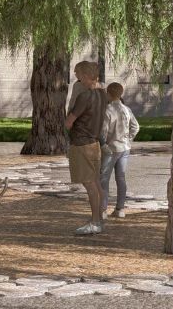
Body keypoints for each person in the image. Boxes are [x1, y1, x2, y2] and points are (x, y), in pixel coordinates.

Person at [64, 60, 107, 235]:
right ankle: (99, 219)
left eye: (78, 74)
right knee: (96, 183)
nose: (77, 78)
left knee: (90, 185)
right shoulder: (102, 94)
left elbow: (69, 122)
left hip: (82, 143)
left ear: (86, 75)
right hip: (94, 143)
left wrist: (68, 122)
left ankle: (95, 222)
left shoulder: (84, 96)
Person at [100, 82, 140, 220]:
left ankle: (102, 210)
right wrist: (129, 139)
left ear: (108, 94)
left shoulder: (107, 110)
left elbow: (103, 132)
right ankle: (120, 209)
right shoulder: (126, 109)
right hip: (125, 148)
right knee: (121, 178)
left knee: (104, 179)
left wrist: (103, 144)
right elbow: (136, 126)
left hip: (110, 149)